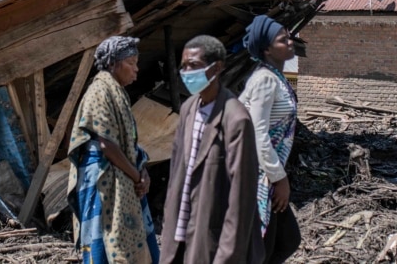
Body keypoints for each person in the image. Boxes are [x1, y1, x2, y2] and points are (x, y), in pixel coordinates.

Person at [161, 35, 262, 264]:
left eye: (194, 66)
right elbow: (177, 173)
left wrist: (227, 256)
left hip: (212, 241)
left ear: (216, 68)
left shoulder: (235, 119)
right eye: (184, 66)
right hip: (179, 235)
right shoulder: (188, 109)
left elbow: (241, 199)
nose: (186, 72)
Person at [67, 36, 159, 264]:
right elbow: (106, 144)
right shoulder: (99, 92)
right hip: (103, 183)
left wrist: (143, 172)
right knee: (104, 247)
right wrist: (137, 175)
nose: (136, 70)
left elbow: (128, 144)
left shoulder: (118, 94)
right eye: (131, 63)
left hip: (123, 179)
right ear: (112, 63)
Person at [239, 16, 301, 264]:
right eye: (282, 39)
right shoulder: (264, 80)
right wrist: (280, 178)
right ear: (266, 49)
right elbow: (258, 134)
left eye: (289, 36)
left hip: (267, 174)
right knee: (265, 247)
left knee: (285, 241)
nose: (290, 41)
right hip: (259, 177)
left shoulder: (276, 77)